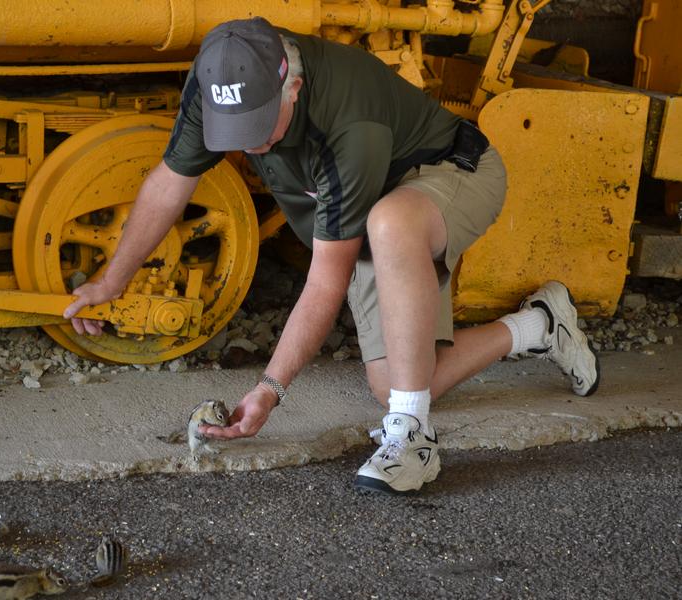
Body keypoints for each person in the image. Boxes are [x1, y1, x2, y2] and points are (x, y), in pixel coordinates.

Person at [63, 17, 600, 493]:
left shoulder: (348, 124)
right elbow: (168, 184)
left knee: (389, 226)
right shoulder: (221, 77)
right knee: (397, 383)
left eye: (259, 128)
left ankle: (415, 440)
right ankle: (542, 325)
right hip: (374, 207)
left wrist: (269, 390)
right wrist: (111, 281)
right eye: (236, 133)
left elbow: (325, 282)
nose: (250, 147)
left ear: (292, 87)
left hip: (448, 175)